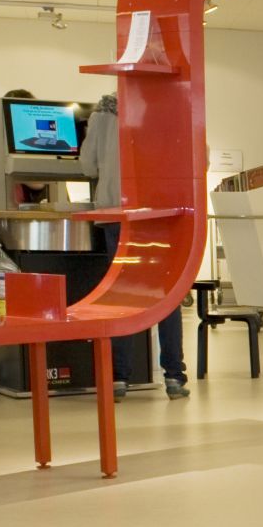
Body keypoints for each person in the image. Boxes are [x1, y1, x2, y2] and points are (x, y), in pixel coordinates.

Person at [79, 93, 190, 399]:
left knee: (121, 295)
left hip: (117, 214)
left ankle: (118, 377)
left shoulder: (104, 111)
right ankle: (174, 376)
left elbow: (88, 166)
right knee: (167, 295)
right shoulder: (170, 109)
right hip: (162, 215)